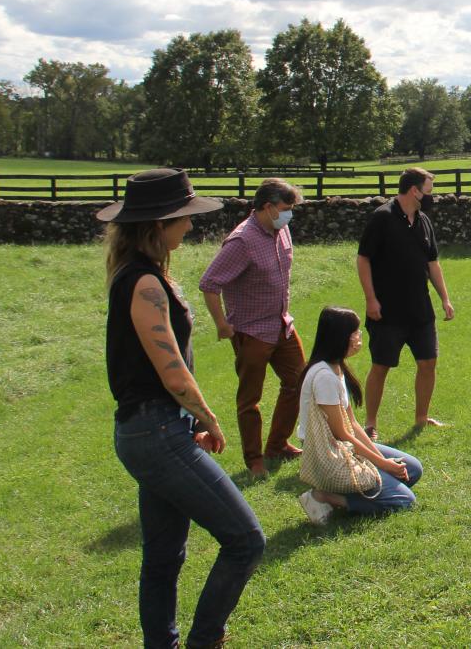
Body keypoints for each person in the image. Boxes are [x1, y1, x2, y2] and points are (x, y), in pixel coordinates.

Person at [101, 168, 265, 649]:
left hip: (148, 431)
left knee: (162, 557)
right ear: (158, 224)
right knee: (246, 540)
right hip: (156, 433)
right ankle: (204, 641)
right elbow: (170, 368)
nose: (190, 228)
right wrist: (209, 418)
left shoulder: (141, 275)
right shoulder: (145, 284)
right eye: (183, 219)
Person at [199, 178, 305, 478]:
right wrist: (222, 324)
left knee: (299, 381)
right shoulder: (241, 241)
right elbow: (209, 284)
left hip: (282, 324)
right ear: (268, 207)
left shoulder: (282, 231)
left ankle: (277, 444)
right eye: (286, 209)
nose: (289, 215)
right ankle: (254, 459)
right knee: (250, 400)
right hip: (251, 331)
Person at [297, 307, 425, 523]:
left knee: (412, 469)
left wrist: (380, 459)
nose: (359, 337)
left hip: (343, 445)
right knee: (404, 500)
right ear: (340, 338)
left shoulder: (336, 368)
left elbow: (352, 424)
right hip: (329, 452)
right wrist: (383, 464)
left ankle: (359, 491)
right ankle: (325, 495)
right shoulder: (324, 378)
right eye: (354, 333)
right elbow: (342, 435)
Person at [357, 167, 455, 438]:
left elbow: (432, 263)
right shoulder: (382, 218)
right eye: (428, 190)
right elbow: (363, 259)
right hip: (386, 310)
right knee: (381, 366)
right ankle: (370, 424)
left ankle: (422, 418)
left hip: (419, 309)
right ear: (414, 190)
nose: (431, 196)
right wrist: (370, 299)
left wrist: (445, 298)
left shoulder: (423, 220)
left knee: (428, 363)